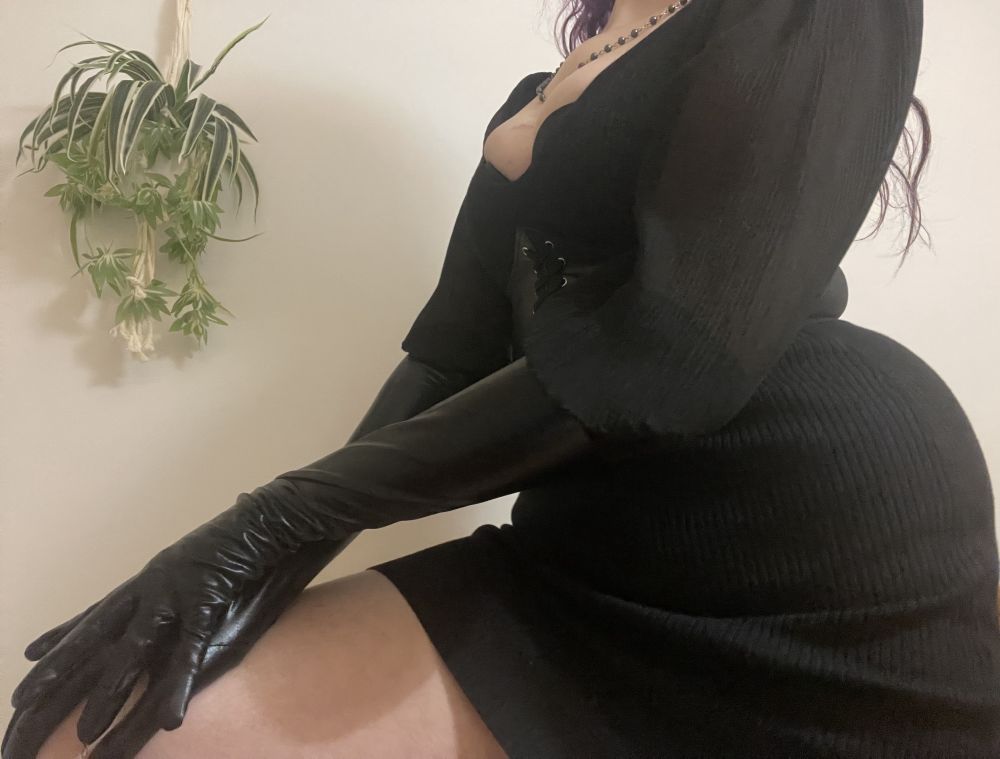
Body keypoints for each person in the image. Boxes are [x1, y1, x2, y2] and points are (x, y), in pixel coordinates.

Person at [5, 0, 998, 756]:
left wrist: (265, 523)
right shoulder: (553, 82)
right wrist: (263, 566)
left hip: (811, 534)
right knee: (98, 736)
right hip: (586, 551)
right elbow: (449, 353)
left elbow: (671, 357)